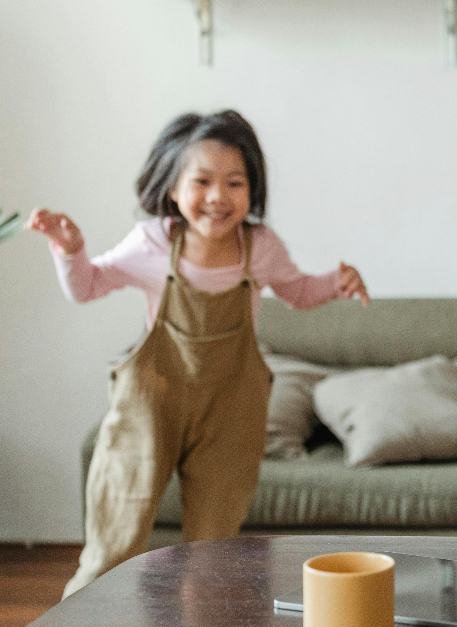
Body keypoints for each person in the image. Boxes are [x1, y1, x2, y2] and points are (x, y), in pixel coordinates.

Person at [26, 110, 370, 597]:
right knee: (112, 546)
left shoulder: (261, 247)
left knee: (211, 557)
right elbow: (87, 287)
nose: (217, 197)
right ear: (172, 187)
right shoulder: (151, 243)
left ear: (253, 190)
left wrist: (336, 282)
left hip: (229, 413)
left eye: (235, 182)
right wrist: (70, 250)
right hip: (150, 407)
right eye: (202, 180)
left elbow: (297, 291)